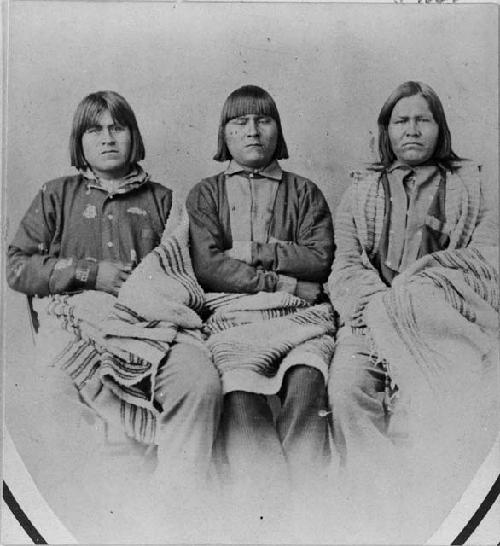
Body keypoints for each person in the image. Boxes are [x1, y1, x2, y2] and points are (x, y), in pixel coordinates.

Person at [6, 90, 222, 496]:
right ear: (79, 141)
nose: (107, 138)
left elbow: (187, 275)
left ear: (133, 136)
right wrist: (89, 273)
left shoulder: (165, 201)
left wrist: (146, 291)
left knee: (200, 383)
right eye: (94, 130)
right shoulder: (56, 196)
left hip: (153, 329)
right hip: (77, 330)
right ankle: (92, 505)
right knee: (48, 398)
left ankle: (176, 503)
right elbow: (17, 267)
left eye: (117, 128)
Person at [327, 81, 498, 542]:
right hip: (368, 320)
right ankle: (380, 513)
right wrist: (382, 308)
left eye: (423, 119)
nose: (412, 130)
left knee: (445, 400)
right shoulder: (360, 191)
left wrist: (417, 294)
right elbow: (346, 262)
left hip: (438, 319)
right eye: (401, 121)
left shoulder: (472, 185)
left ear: (440, 128)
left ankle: (434, 513)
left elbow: (482, 260)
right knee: (346, 395)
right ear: (386, 131)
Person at [186, 85, 335, 515]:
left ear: (278, 130)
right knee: (239, 388)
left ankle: (307, 505)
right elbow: (210, 268)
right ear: (224, 134)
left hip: (302, 320)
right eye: (240, 122)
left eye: (263, 120)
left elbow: (320, 259)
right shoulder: (206, 194)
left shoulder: (305, 191)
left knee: (309, 378)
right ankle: (266, 505)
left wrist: (254, 251)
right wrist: (285, 283)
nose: (253, 131)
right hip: (233, 317)